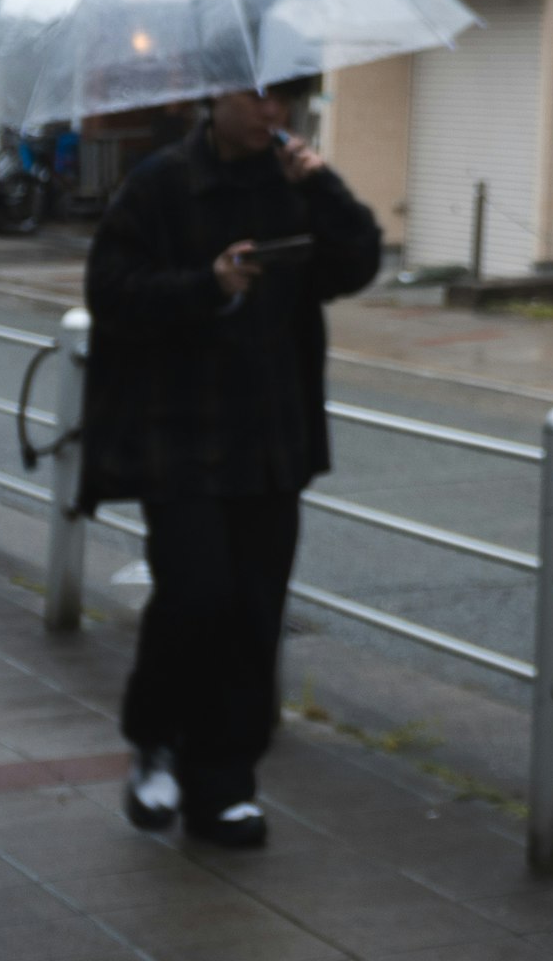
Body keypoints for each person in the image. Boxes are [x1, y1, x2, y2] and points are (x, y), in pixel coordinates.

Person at [82, 72, 383, 849]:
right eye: (254, 96)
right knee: (196, 596)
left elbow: (355, 265)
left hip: (270, 431)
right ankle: (156, 739)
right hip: (177, 430)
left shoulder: (293, 186)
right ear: (208, 101)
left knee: (254, 611)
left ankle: (225, 783)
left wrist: (325, 187)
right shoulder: (160, 185)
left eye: (283, 96)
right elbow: (111, 293)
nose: (271, 111)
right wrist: (207, 285)